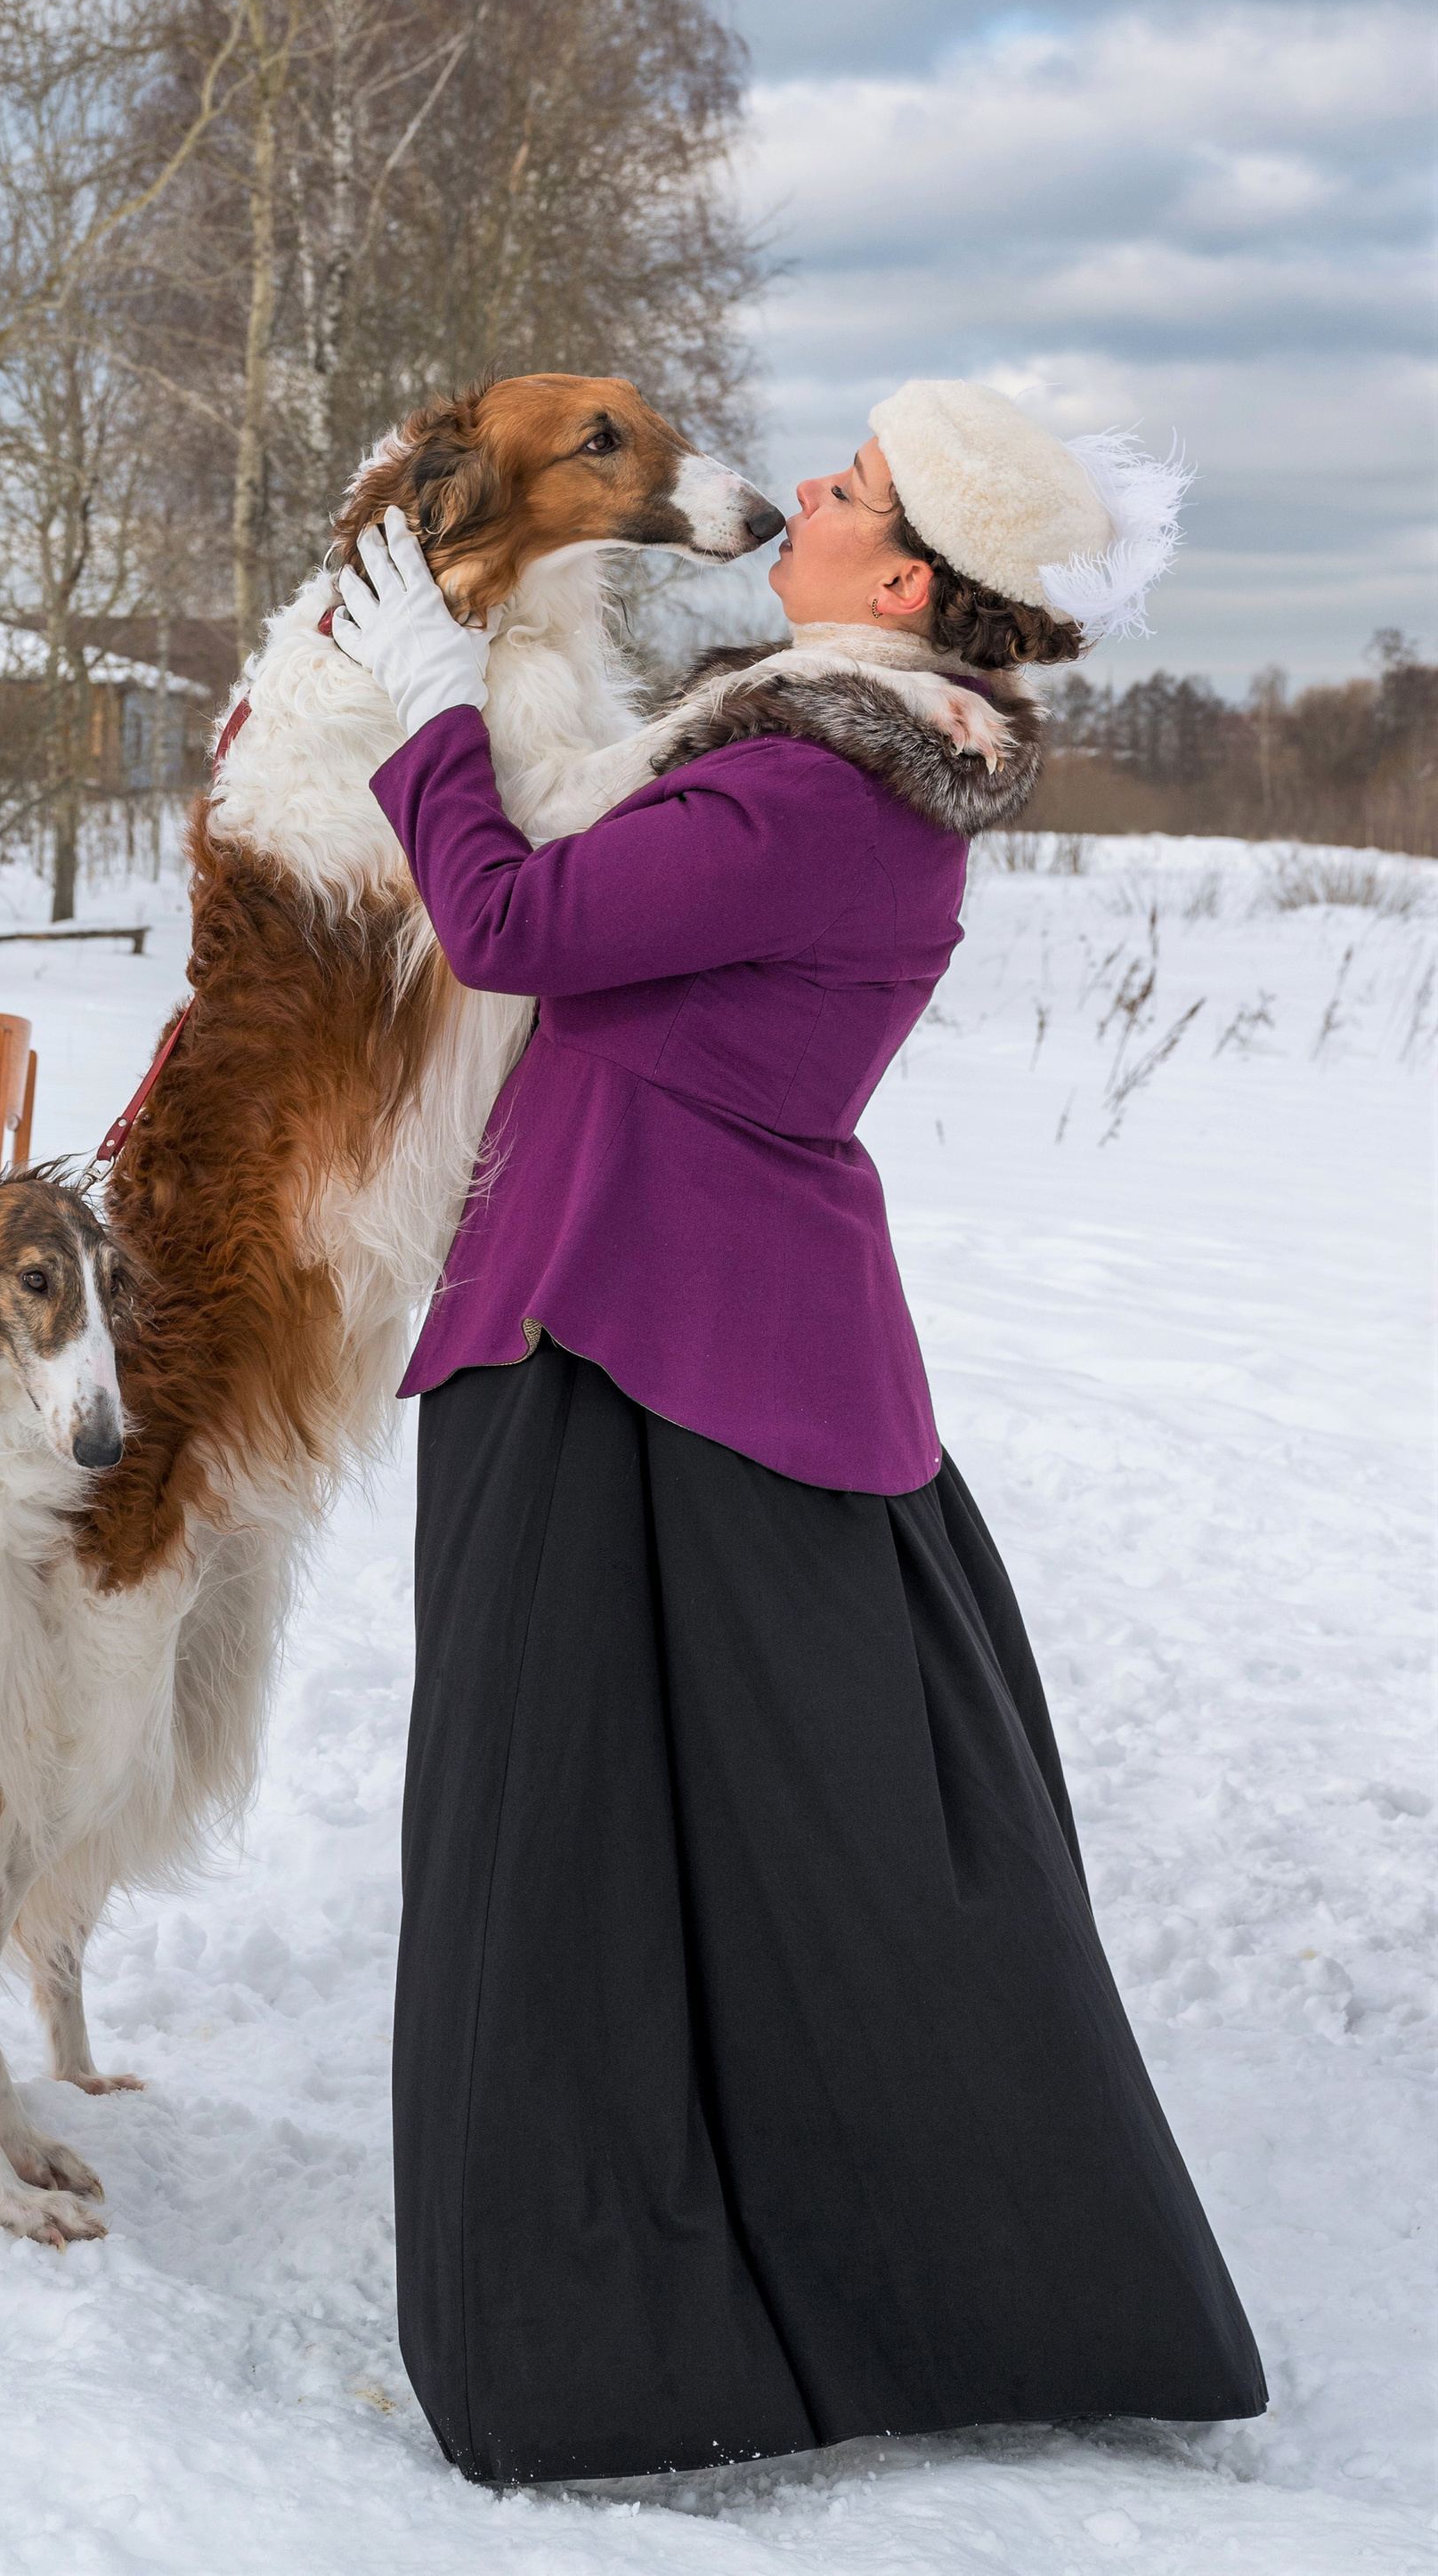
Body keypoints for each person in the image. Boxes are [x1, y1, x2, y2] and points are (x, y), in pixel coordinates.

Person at [329, 379, 1265, 2492]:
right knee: (729, 1831)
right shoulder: (809, 735)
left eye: (845, 490)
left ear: (908, 577)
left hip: (643, 1324)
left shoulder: (828, 782)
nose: (807, 495)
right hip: (660, 1308)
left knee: (584, 1826)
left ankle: (616, 2334)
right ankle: (738, 2282)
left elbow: (518, 927)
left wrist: (422, 721)